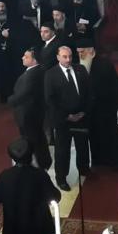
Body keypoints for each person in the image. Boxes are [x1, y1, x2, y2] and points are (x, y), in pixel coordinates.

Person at [0, 139, 61, 234]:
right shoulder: (39, 175)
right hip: (39, 230)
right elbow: (55, 197)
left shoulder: (6, 176)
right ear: (32, 155)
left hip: (14, 231)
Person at [44, 46, 91, 191]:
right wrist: (66, 116)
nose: (68, 59)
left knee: (82, 146)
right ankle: (61, 178)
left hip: (81, 117)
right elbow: (50, 100)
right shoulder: (50, 75)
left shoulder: (80, 70)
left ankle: (83, 169)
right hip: (63, 121)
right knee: (62, 151)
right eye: (64, 57)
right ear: (58, 57)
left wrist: (84, 112)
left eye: (70, 56)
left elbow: (89, 93)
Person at [76, 39, 118, 168]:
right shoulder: (79, 67)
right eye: (78, 52)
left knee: (110, 136)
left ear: (91, 51)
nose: (80, 55)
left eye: (83, 52)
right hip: (90, 111)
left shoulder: (105, 65)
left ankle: (114, 161)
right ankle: (98, 161)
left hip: (106, 109)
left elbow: (116, 87)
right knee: (94, 138)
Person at [9, 48, 52, 170]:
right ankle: (40, 161)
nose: (22, 58)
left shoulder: (33, 75)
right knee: (35, 138)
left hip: (29, 114)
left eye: (26, 56)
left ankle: (42, 163)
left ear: (35, 60)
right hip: (30, 113)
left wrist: (11, 100)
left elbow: (24, 94)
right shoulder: (35, 71)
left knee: (35, 139)